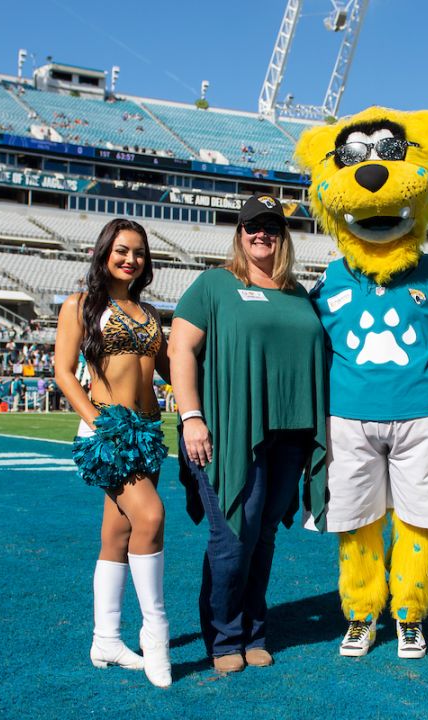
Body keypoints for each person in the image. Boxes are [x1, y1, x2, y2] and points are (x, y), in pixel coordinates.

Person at [169, 195, 328, 674]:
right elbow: (180, 350)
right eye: (252, 226)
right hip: (228, 431)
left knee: (261, 539)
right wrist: (191, 416)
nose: (263, 234)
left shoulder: (299, 292)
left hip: (291, 436)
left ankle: (255, 631)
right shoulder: (213, 285)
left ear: (283, 235)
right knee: (233, 536)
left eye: (272, 227)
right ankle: (223, 637)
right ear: (239, 233)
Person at [54, 218, 173, 688]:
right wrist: (100, 421)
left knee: (117, 535)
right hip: (108, 431)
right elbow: (64, 371)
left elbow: (170, 367)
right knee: (151, 518)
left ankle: (105, 639)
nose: (131, 259)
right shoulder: (80, 305)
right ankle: (156, 635)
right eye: (123, 250)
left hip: (146, 432)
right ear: (104, 252)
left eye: (140, 252)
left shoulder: (150, 313)